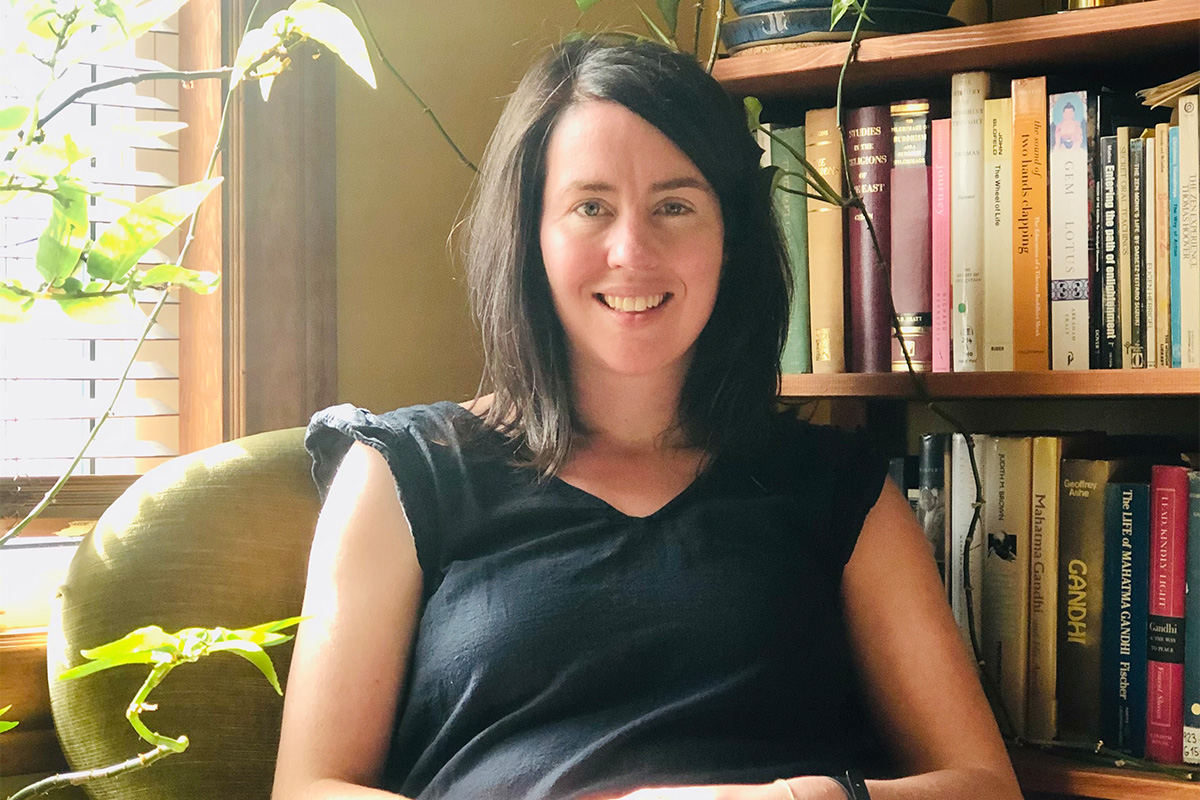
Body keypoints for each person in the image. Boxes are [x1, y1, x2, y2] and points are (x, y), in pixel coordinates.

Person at [272, 37, 1022, 800]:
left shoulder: (837, 489)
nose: (631, 250)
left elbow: (986, 787)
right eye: (590, 206)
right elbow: (309, 789)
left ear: (731, 238)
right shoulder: (404, 473)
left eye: (675, 206)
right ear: (531, 234)